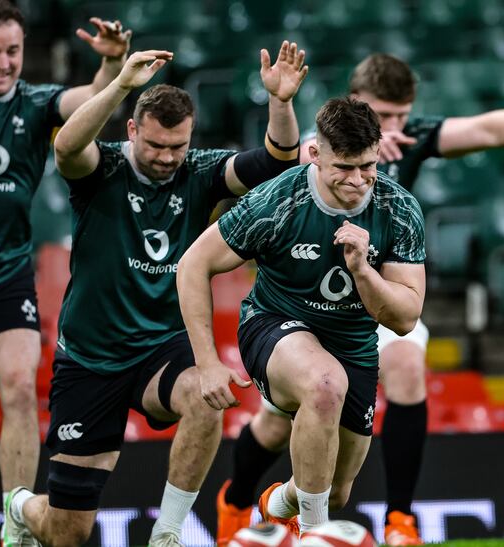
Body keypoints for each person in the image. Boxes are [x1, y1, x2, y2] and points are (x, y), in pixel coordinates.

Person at [217, 52, 504, 546]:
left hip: (380, 288)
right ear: (356, 108)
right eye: (382, 117)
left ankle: (399, 520)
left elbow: (488, 130)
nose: (392, 127)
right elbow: (281, 167)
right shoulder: (319, 154)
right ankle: (239, 500)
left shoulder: (409, 145)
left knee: (407, 364)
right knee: (279, 425)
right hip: (302, 302)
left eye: (401, 117)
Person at [2, 39, 307, 547]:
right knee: (67, 532)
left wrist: (280, 103)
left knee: (208, 396)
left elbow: (278, 161)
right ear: (131, 130)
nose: (167, 157)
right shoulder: (103, 170)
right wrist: (121, 82)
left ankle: (167, 533)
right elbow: (65, 147)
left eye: (177, 146)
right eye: (155, 145)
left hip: (160, 349)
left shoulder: (201, 170)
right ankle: (21, 506)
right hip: (91, 358)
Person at [179, 96, 426, 538]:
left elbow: (406, 318)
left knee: (336, 488)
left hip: (352, 343)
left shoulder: (398, 209)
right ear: (315, 153)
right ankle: (317, 536)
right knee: (324, 384)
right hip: (273, 325)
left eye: (367, 166)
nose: (358, 180)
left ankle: (280, 502)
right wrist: (207, 362)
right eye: (344, 167)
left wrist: (363, 270)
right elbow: (194, 265)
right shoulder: (277, 200)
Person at [0, 1, 131, 538]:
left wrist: (112, 67)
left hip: (5, 275)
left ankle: (13, 525)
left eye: (13, 51)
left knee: (20, 388)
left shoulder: (36, 102)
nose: (3, 63)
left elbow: (90, 100)